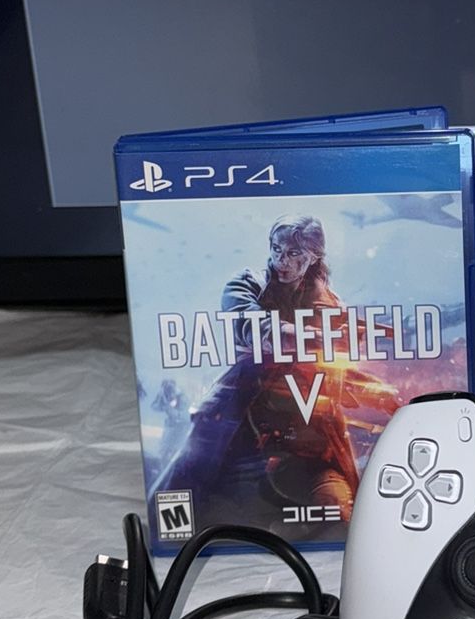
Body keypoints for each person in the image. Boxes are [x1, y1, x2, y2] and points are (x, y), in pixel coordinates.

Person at [156, 216, 397, 538]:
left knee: (344, 515)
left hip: (301, 431)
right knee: (189, 487)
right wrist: (309, 336)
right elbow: (252, 325)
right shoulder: (247, 284)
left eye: (294, 253)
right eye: (276, 249)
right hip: (239, 416)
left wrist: (379, 394)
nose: (282, 260)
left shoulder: (328, 303)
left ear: (313, 256)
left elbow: (331, 367)